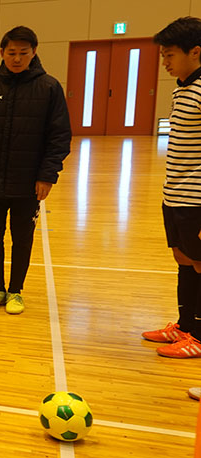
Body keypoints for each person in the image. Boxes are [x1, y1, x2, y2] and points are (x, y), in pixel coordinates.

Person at [0, 26, 70, 314]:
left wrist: (47, 176)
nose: (17, 58)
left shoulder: (49, 87)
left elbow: (59, 137)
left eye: (23, 52)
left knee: (22, 239)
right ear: (2, 53)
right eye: (11, 53)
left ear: (34, 52)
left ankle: (16, 291)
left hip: (28, 184)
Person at [143, 17, 201, 358]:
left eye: (170, 55)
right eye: (163, 55)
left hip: (197, 199)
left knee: (200, 262)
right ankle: (185, 326)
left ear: (195, 52)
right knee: (183, 258)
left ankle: (199, 336)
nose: (164, 62)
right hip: (175, 195)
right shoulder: (182, 88)